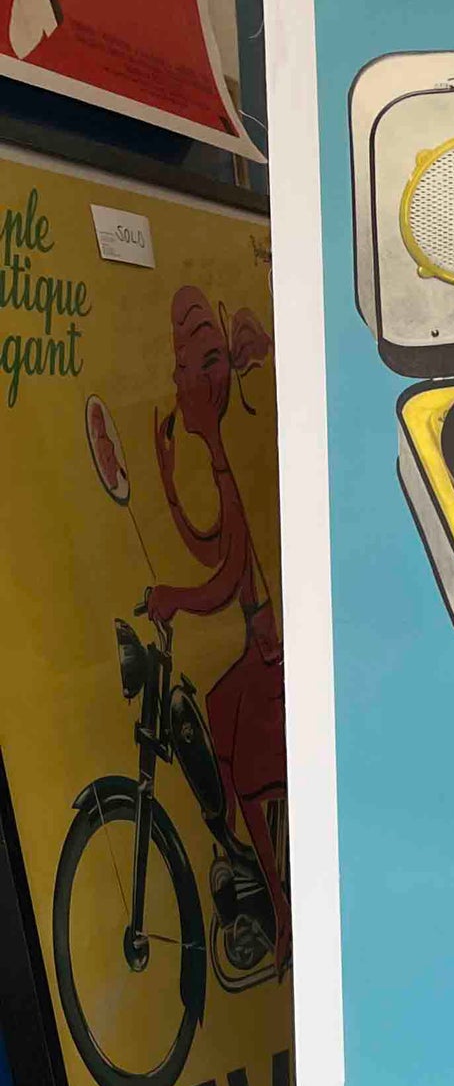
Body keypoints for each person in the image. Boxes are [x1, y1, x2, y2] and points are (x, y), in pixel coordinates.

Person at [147, 286, 289, 969]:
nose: (191, 382)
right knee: (216, 708)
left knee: (246, 761)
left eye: (205, 362)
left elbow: (227, 574)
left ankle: (281, 909)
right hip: (264, 646)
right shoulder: (224, 452)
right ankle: (250, 871)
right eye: (184, 367)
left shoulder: (236, 452)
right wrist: (171, 488)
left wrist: (175, 599)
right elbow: (214, 545)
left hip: (273, 652)